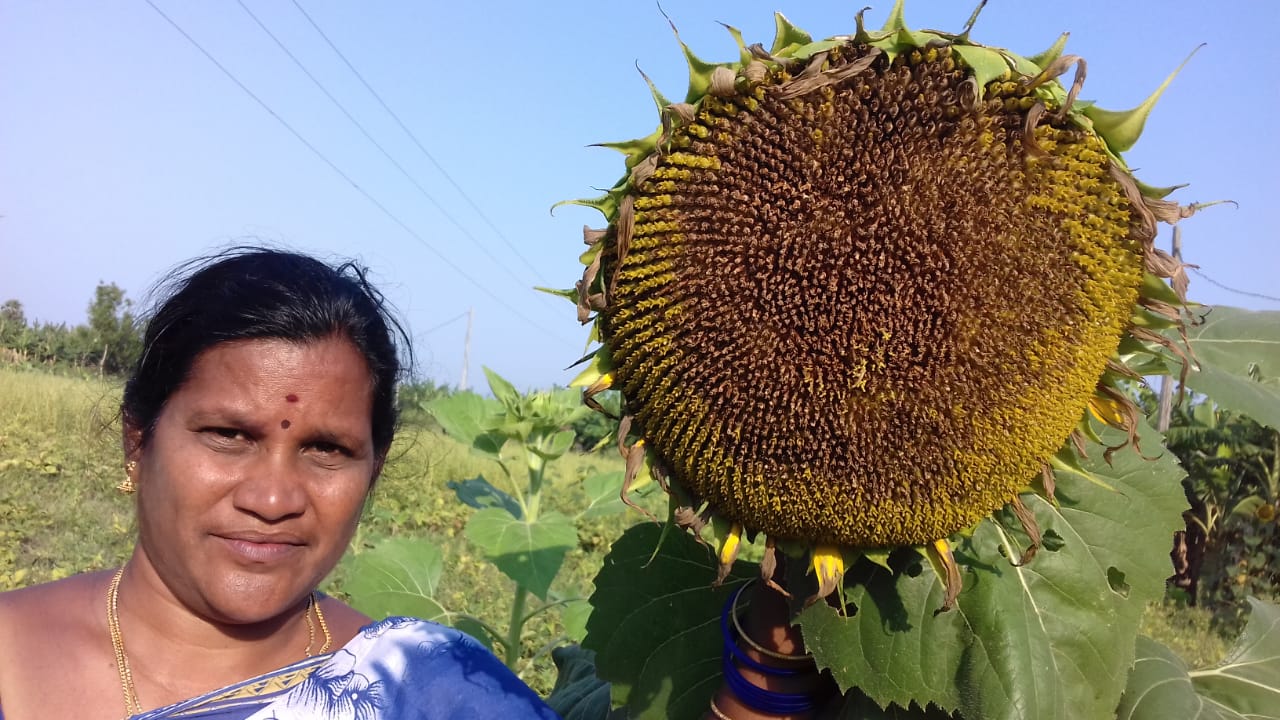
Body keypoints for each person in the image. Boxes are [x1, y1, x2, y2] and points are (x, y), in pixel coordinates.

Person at [0, 248, 560, 720]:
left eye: (326, 449)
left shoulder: (426, 691)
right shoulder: (11, 654)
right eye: (228, 435)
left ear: (374, 470)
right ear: (137, 440)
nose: (272, 500)